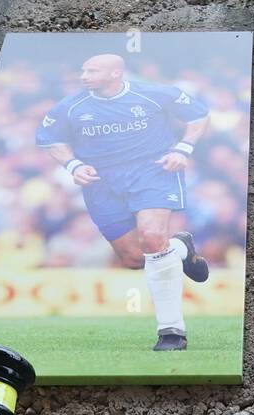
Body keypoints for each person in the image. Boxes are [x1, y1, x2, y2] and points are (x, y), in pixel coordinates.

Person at [36, 54, 211, 351]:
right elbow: (50, 140)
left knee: (153, 239)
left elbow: (198, 114)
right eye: (83, 69)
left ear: (116, 73)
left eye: (92, 70)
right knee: (133, 258)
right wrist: (74, 165)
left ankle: (171, 331)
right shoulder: (70, 107)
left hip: (153, 170)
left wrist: (183, 148)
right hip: (101, 183)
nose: (84, 75)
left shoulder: (155, 94)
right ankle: (180, 247)